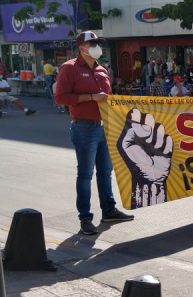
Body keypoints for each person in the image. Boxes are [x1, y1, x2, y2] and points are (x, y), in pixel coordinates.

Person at [54, 30, 134, 235]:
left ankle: (108, 210)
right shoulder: (69, 68)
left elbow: (107, 97)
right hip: (84, 127)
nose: (97, 47)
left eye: (98, 43)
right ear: (81, 47)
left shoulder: (102, 69)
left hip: (105, 126)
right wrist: (91, 97)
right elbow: (61, 97)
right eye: (92, 44)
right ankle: (85, 218)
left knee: (106, 172)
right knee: (85, 174)